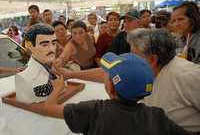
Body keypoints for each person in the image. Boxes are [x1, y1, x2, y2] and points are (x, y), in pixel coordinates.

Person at [53, 29, 200, 131]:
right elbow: (109, 72)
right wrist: (70, 75)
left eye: (133, 53)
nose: (127, 57)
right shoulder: (144, 69)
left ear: (153, 59)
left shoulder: (189, 76)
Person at [127, 28, 200, 132]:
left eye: (134, 55)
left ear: (153, 59)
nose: (130, 59)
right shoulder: (148, 72)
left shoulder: (189, 76)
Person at [15, 23, 58, 103]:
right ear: (30, 45)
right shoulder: (23, 78)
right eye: (45, 45)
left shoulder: (56, 71)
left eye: (54, 43)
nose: (52, 49)